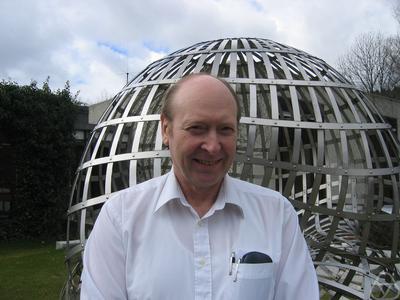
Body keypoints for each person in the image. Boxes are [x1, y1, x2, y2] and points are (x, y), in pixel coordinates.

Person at [80, 73, 319, 299]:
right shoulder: (120, 218)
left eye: (225, 129)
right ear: (166, 130)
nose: (213, 146)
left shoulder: (276, 214)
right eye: (197, 128)